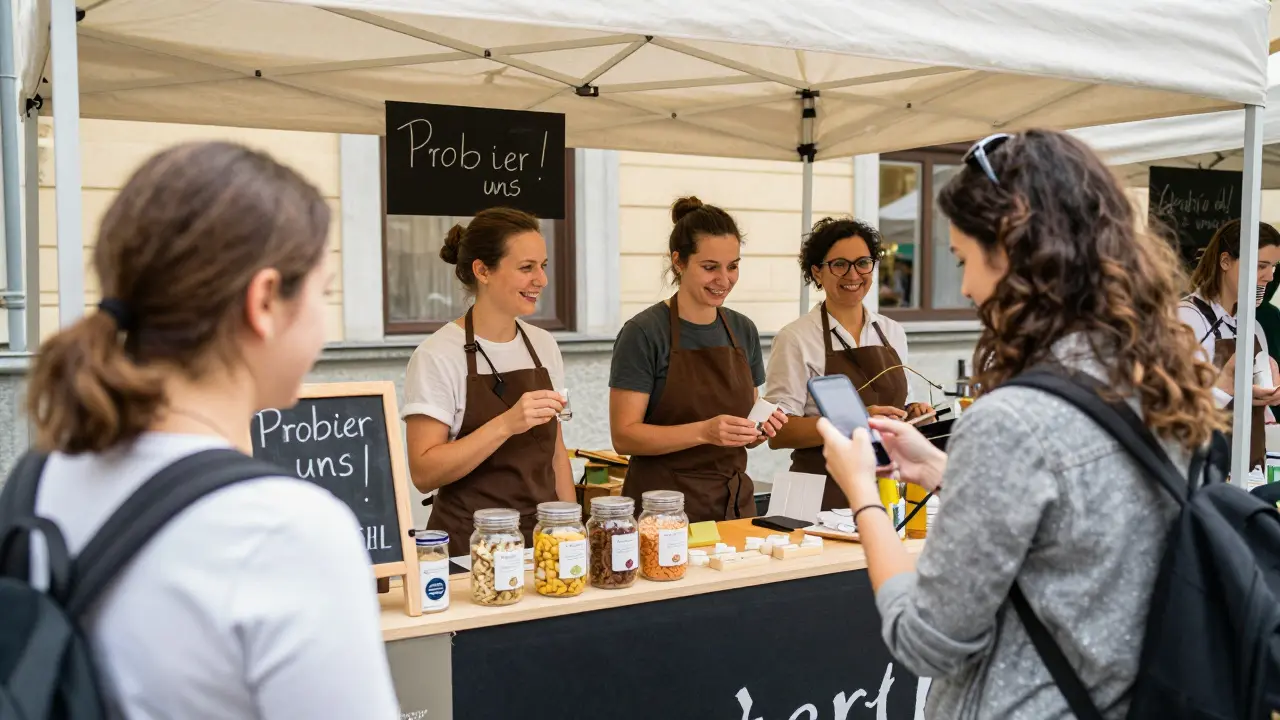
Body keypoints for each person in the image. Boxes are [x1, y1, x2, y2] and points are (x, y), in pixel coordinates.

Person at [816, 129, 1226, 718]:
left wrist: (863, 497)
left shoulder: (1014, 420)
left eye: (963, 259)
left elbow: (925, 640)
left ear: (1012, 252)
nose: (963, 286)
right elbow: (1074, 529)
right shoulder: (1160, 377)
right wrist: (941, 470)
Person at [19, 142, 399, 718]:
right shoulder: (287, 532)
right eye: (324, 291)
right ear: (265, 300)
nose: (326, 317)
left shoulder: (36, 482)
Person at [403, 207, 573, 557]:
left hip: (540, 543)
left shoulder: (543, 345)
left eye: (543, 266)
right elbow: (424, 471)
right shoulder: (437, 355)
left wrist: (571, 528)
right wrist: (507, 423)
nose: (540, 279)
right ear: (482, 270)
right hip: (469, 548)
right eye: (526, 268)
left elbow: (556, 451)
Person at [609, 197, 786, 522]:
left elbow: (747, 419)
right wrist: (705, 431)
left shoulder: (743, 329)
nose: (724, 279)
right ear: (678, 262)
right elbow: (624, 436)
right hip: (661, 513)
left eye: (733, 266)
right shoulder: (644, 332)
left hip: (733, 509)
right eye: (710, 267)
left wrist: (758, 429)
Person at [764, 216, 932, 509]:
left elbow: (901, 407)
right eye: (839, 264)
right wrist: (854, 422)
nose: (853, 274)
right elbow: (778, 433)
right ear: (817, 272)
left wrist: (915, 413)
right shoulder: (796, 338)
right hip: (816, 495)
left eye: (863, 263)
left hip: (884, 490)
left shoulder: (893, 332)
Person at [1177, 219, 1280, 472]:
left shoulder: (1252, 325)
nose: (1270, 276)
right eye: (1261, 266)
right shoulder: (1186, 319)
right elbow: (1176, 411)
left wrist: (1265, 397)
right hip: (1201, 469)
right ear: (1225, 262)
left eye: (1274, 267)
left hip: (1249, 467)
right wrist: (1225, 386)